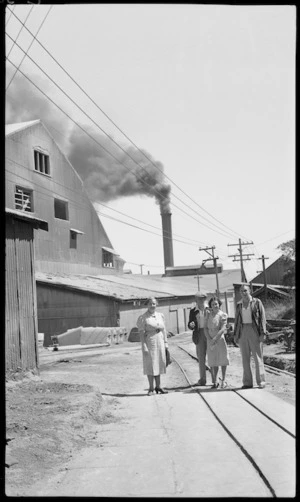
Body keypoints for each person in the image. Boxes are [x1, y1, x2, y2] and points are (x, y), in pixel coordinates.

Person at [233, 284, 267, 389]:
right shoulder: (239, 305)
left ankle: (261, 381)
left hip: (254, 330)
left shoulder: (257, 302)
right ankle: (247, 382)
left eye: (245, 291)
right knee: (245, 358)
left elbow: (262, 318)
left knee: (258, 357)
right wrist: (236, 335)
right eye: (242, 291)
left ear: (249, 291)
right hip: (243, 330)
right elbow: (237, 321)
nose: (243, 293)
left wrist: (263, 333)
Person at [137, 297, 169, 396]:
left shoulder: (160, 315)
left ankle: (158, 387)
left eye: (154, 304)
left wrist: (166, 343)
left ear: (156, 305)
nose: (152, 306)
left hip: (159, 340)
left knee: (159, 362)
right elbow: (141, 333)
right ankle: (151, 388)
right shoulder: (143, 317)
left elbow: (164, 330)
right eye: (150, 304)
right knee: (150, 364)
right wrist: (144, 346)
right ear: (147, 305)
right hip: (150, 341)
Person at [204, 296, 229, 388]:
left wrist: (215, 338)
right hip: (210, 339)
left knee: (222, 359)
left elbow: (223, 328)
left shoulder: (222, 315)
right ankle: (215, 381)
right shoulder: (208, 315)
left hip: (219, 339)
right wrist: (209, 339)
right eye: (213, 304)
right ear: (210, 305)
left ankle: (224, 379)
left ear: (219, 304)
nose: (215, 306)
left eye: (216, 304)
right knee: (213, 360)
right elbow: (205, 328)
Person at [188, 292, 210, 386]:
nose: (201, 301)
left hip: (209, 333)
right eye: (199, 299)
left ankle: (214, 379)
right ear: (196, 300)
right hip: (199, 334)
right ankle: (202, 379)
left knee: (212, 356)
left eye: (203, 299)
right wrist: (191, 325)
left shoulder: (209, 309)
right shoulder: (193, 311)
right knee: (201, 357)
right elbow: (190, 324)